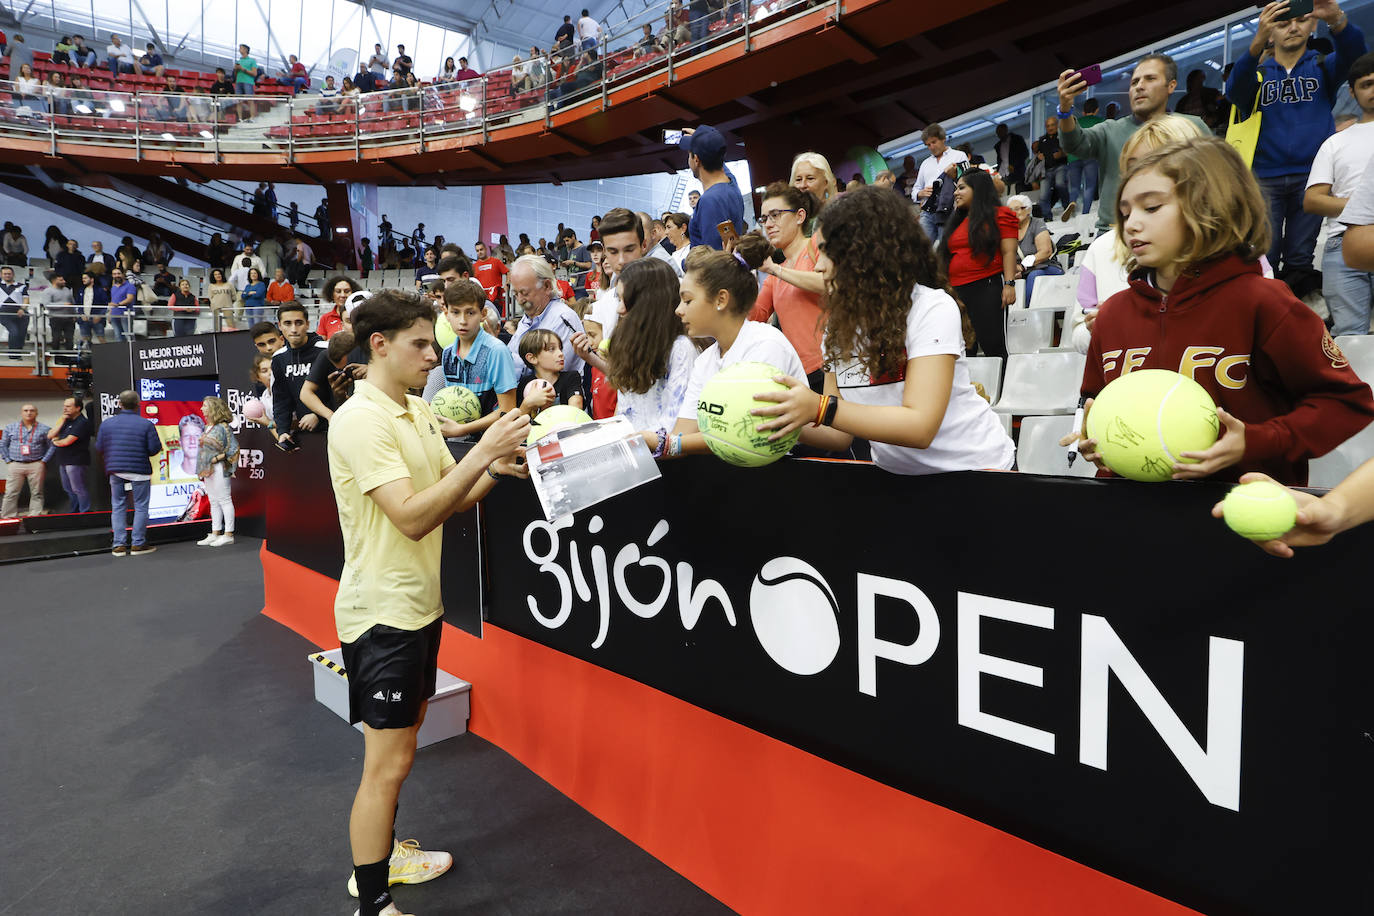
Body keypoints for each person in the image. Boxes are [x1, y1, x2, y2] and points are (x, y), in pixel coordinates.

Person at [327, 291, 527, 916]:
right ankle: (373, 901)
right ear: (379, 345)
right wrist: (486, 451)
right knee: (384, 766)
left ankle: (385, 857)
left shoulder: (415, 409)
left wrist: (495, 468)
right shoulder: (360, 421)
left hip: (418, 606)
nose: (432, 356)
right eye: (419, 344)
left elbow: (451, 494)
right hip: (379, 614)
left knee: (403, 750)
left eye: (432, 343)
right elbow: (413, 518)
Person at [1064, 137, 1374, 486]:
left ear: (1210, 207)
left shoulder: (1264, 302)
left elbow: (1346, 403)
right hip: (1130, 509)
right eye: (1125, 213)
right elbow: (1093, 399)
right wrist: (1097, 438)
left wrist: (1256, 441)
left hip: (1241, 510)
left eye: (1151, 207)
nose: (1131, 224)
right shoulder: (1112, 314)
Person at [751, 186, 1015, 474]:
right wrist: (777, 420)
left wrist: (820, 407)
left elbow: (920, 427)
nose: (818, 267)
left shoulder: (930, 308)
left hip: (978, 473)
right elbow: (839, 435)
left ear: (867, 254)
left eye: (827, 253)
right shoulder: (838, 328)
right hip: (898, 477)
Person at [1226, 1, 1365, 295]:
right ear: (1270, 32)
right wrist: (1257, 42)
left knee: (1300, 257)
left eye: (1301, 20)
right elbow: (1235, 91)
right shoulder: (1258, 73)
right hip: (1264, 176)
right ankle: (1267, 309)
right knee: (1264, 255)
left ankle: (1294, 311)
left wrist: (1336, 19)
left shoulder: (1322, 66)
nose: (1292, 27)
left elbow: (1357, 60)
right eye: (1282, 23)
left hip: (1313, 177)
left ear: (1312, 25)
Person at [645, 240, 806, 459]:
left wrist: (665, 444)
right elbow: (682, 435)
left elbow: (745, 432)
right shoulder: (705, 361)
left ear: (721, 299)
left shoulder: (765, 345)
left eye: (687, 300)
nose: (678, 310)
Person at [1058, 53, 1208, 233]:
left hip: (1180, 232)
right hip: (1115, 233)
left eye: (1150, 79)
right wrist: (1065, 110)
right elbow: (1073, 143)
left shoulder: (1192, 128)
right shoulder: (1110, 130)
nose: (1139, 86)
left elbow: (1215, 181)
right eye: (1134, 82)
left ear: (1171, 86)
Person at [573, 257, 694, 436]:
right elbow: (627, 399)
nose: (619, 309)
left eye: (627, 301)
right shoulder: (634, 341)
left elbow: (674, 426)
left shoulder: (680, 349)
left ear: (650, 303)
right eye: (619, 300)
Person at [1304, 52, 1374, 336]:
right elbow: (1312, 200)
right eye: (1366, 84)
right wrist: (1363, 206)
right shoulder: (1335, 142)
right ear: (1352, 92)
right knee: (1348, 337)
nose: (1373, 90)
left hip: (1346, 240)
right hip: (1342, 242)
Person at [421, 279, 523, 438]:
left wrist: (462, 429)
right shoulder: (447, 353)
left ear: (483, 314)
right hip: (459, 441)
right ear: (446, 314)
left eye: (470, 313)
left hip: (493, 441)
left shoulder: (496, 351)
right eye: (455, 312)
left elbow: (507, 410)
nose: (462, 321)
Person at [751, 182, 827, 391]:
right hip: (800, 375)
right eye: (764, 218)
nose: (768, 224)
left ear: (800, 216)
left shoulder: (816, 245)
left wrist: (775, 269)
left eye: (775, 215)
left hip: (833, 367)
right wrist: (737, 274)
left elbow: (829, 283)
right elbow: (754, 317)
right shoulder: (775, 273)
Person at [938, 168, 1018, 360]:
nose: (955, 193)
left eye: (961, 188)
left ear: (978, 189)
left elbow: (1009, 251)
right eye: (956, 188)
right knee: (965, 349)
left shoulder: (1001, 214)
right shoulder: (957, 220)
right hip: (956, 292)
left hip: (986, 287)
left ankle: (1002, 381)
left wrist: (1009, 284)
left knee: (993, 346)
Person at [95, 390, 162, 556]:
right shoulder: (146, 424)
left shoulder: (107, 424)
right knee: (141, 506)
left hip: (116, 470)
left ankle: (119, 545)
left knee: (118, 506)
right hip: (140, 470)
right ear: (138, 405)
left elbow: (99, 447)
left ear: (119, 404)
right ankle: (138, 544)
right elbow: (154, 449)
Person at [506, 255, 586, 374]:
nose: (520, 300)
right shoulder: (529, 317)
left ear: (547, 286)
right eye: (516, 294)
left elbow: (551, 372)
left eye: (525, 293)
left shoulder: (563, 318)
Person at [271, 301, 329, 446]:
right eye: (288, 323)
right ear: (280, 326)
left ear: (307, 324)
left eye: (299, 323)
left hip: (334, 427)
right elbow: (281, 399)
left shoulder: (325, 350)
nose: (294, 329)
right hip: (305, 434)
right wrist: (283, 431)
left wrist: (319, 415)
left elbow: (339, 392)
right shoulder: (279, 358)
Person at [679, 126, 744, 249]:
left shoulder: (709, 201)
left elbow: (714, 256)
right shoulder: (731, 183)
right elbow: (717, 158)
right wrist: (703, 138)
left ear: (696, 160)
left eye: (689, 155)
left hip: (707, 262)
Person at [911, 124, 970, 244]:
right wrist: (920, 193)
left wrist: (953, 175)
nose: (931, 147)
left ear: (943, 139)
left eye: (934, 142)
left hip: (950, 208)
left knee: (946, 246)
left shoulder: (959, 156)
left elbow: (968, 181)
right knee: (921, 247)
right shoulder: (925, 163)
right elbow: (915, 190)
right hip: (928, 211)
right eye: (928, 145)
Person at [194, 396, 238, 547]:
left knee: (224, 499)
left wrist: (217, 458)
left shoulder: (223, 427)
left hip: (219, 468)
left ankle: (229, 534)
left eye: (205, 406)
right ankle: (215, 532)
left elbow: (233, 449)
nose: (202, 408)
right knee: (213, 500)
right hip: (208, 470)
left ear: (213, 408)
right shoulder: (207, 427)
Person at [1006, 194, 1062, 308]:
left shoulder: (1037, 224)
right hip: (1022, 273)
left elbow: (1045, 251)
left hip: (1045, 267)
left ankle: (1027, 312)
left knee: (1035, 276)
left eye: (1017, 209)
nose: (1013, 213)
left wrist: (1022, 267)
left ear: (1028, 210)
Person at [516, 328, 586, 412]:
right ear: (532, 358)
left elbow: (576, 408)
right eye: (551, 349)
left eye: (560, 349)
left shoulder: (571, 377)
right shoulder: (524, 384)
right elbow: (519, 416)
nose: (560, 354)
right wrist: (528, 403)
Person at [1, 403, 52, 517]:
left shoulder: (45, 429)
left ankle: (35, 516)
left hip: (36, 464)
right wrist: (8, 460)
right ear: (21, 413)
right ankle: (8, 517)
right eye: (26, 410)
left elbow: (52, 446)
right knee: (11, 492)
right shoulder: (10, 427)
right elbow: (3, 445)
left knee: (37, 493)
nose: (29, 413)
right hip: (15, 464)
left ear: (36, 413)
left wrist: (44, 460)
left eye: (32, 410)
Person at [47, 396, 92, 512]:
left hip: (76, 461)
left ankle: (84, 511)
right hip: (63, 460)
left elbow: (67, 441)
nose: (65, 409)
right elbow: (50, 435)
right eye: (64, 406)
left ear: (78, 408)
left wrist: (55, 441)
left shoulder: (82, 422)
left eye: (68, 406)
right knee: (68, 488)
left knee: (78, 488)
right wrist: (62, 420)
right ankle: (74, 511)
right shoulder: (65, 420)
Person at [1037, 116, 1071, 219]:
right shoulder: (1042, 140)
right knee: (1043, 195)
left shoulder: (1063, 136)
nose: (1050, 128)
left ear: (1057, 125)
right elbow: (1038, 154)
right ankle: (1047, 217)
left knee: (1060, 184)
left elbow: (1070, 152)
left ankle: (1067, 207)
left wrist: (1062, 154)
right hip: (1046, 170)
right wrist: (1039, 156)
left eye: (1052, 125)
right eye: (1048, 126)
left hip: (1060, 166)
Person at [35, 273, 76, 350]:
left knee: (70, 338)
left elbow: (72, 303)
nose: (64, 281)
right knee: (56, 338)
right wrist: (63, 304)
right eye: (61, 280)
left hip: (69, 318)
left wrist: (74, 315)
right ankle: (56, 354)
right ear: (54, 281)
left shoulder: (67, 290)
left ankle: (70, 354)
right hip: (56, 318)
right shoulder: (48, 291)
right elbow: (47, 304)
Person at [318, 275, 362, 339]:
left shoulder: (360, 315)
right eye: (338, 291)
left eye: (347, 291)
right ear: (332, 294)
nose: (342, 295)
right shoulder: (325, 318)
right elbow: (321, 341)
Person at [471, 241, 509, 314]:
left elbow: (508, 272)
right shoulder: (474, 267)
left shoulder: (496, 261)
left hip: (497, 299)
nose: (479, 252)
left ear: (486, 249)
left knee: (498, 319)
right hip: (481, 300)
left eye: (481, 249)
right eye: (477, 251)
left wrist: (507, 284)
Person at [0, 264, 30, 356]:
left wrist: (22, 309)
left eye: (9, 274)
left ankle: (18, 351)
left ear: (13, 274)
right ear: (1, 275)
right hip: (4, 313)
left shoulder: (21, 286)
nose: (7, 275)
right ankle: (13, 354)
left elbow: (26, 299)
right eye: (5, 274)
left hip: (20, 313)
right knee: (14, 331)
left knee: (21, 333)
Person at [76, 271, 108, 351]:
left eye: (85, 278)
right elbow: (78, 304)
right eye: (83, 278)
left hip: (97, 319)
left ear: (92, 279)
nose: (83, 280)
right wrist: (81, 314)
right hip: (84, 319)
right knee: (85, 339)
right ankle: (87, 355)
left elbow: (105, 305)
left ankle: (107, 353)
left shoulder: (100, 290)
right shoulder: (81, 290)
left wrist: (100, 315)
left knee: (101, 338)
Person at [993, 124, 1030, 194]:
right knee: (1002, 192)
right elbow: (1000, 160)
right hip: (1002, 173)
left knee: (1018, 191)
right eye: (998, 133)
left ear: (1006, 130)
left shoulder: (1017, 139)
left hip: (1017, 172)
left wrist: (1014, 165)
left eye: (1000, 132)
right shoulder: (998, 146)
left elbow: (1025, 153)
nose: (999, 135)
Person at [107, 266, 137, 343]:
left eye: (118, 273)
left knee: (128, 336)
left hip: (126, 314)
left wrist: (118, 304)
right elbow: (112, 301)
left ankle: (132, 350)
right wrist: (109, 313)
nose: (116, 275)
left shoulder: (130, 286)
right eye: (114, 274)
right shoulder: (113, 287)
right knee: (118, 336)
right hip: (114, 314)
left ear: (123, 274)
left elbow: (130, 299)